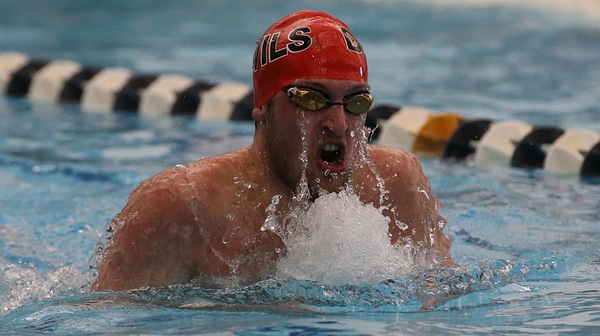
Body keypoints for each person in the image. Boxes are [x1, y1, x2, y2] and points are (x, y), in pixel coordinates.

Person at [91, 10, 452, 292]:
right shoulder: (182, 206)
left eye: (356, 101)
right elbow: (109, 319)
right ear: (262, 105)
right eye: (311, 98)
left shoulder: (396, 184)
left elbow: (441, 302)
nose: (338, 123)